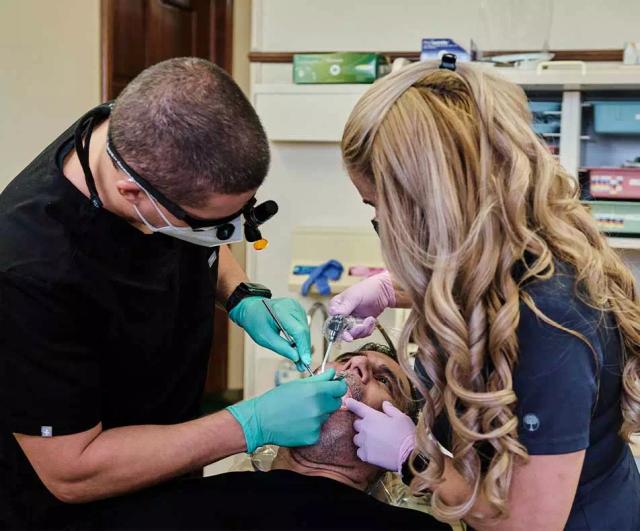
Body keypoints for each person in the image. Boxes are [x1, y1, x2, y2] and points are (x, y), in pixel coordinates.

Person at [0, 58, 346, 530]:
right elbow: (71, 472)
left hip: (170, 463)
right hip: (76, 502)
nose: (226, 237)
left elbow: (199, 236)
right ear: (134, 194)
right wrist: (247, 425)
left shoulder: (145, 132)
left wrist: (242, 293)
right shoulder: (29, 272)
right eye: (213, 226)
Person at [331, 57, 640, 530]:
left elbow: (529, 526)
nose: (380, 228)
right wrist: (394, 289)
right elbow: (485, 277)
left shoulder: (552, 325)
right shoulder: (516, 240)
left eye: (378, 209)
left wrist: (415, 459)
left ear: (431, 208)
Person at [79, 345, 450, 531]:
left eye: (384, 380)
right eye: (345, 358)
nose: (357, 366)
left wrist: (413, 458)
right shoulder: (179, 504)